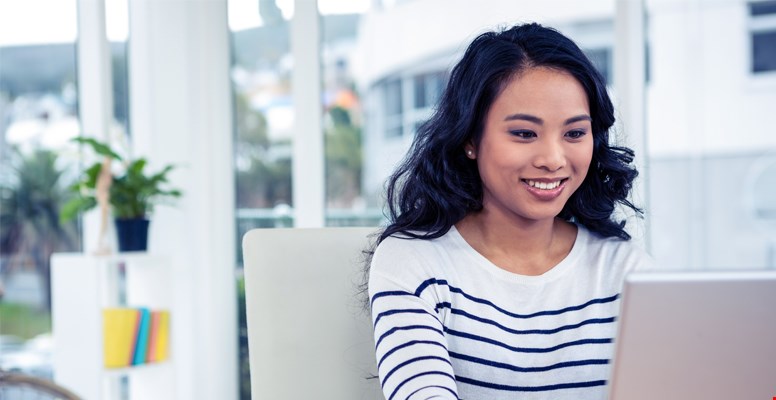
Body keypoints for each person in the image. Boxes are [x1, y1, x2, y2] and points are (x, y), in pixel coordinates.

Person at [367, 22, 653, 400]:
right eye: (524, 133)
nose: (553, 160)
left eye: (574, 134)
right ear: (470, 138)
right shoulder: (414, 261)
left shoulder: (624, 269)